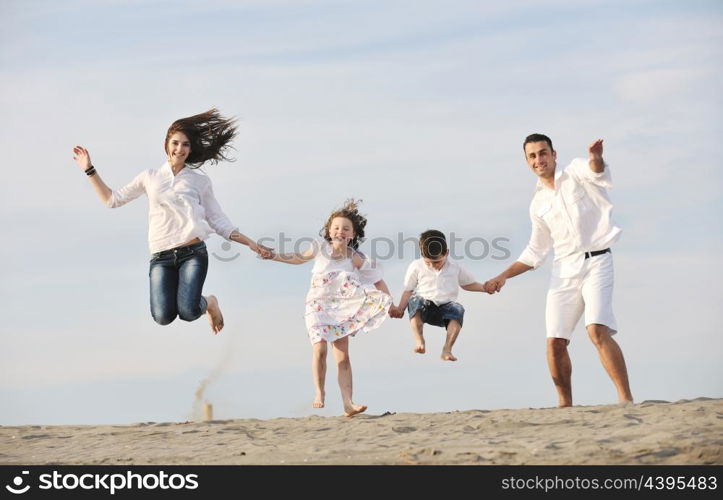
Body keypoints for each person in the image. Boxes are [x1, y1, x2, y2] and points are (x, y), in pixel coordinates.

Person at [71, 108, 271, 334]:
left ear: (190, 148)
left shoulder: (199, 181)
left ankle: (210, 303)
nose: (180, 149)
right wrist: (89, 169)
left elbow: (218, 221)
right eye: (175, 143)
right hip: (161, 256)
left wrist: (252, 243)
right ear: (166, 144)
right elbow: (112, 200)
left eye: (185, 144)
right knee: (162, 316)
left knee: (188, 311)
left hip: (193, 253)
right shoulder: (150, 176)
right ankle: (203, 302)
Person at [484, 134, 633, 407]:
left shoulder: (577, 171)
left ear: (554, 154)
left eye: (543, 153)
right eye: (532, 156)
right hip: (563, 270)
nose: (538, 159)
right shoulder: (537, 204)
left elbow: (597, 172)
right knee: (554, 342)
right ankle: (565, 405)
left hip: (597, 261)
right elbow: (535, 251)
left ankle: (625, 400)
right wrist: (502, 276)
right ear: (527, 162)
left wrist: (596, 158)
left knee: (596, 330)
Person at [264, 200, 393, 416]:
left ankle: (348, 403)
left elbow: (377, 280)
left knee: (342, 357)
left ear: (352, 234)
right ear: (329, 231)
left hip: (341, 309)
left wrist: (391, 304)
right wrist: (274, 255)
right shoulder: (319, 247)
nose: (340, 231)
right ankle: (319, 393)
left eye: (345, 229)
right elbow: (298, 258)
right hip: (317, 305)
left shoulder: (356, 258)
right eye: (336, 228)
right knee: (320, 349)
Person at [390, 229, 488, 361]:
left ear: (446, 252)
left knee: (458, 309)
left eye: (437, 262)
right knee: (415, 300)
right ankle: (419, 341)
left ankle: (447, 349)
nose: (432, 266)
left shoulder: (456, 266)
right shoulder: (416, 266)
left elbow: (467, 284)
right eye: (428, 262)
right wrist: (400, 308)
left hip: (445, 310)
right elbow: (408, 290)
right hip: (424, 306)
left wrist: (485, 288)